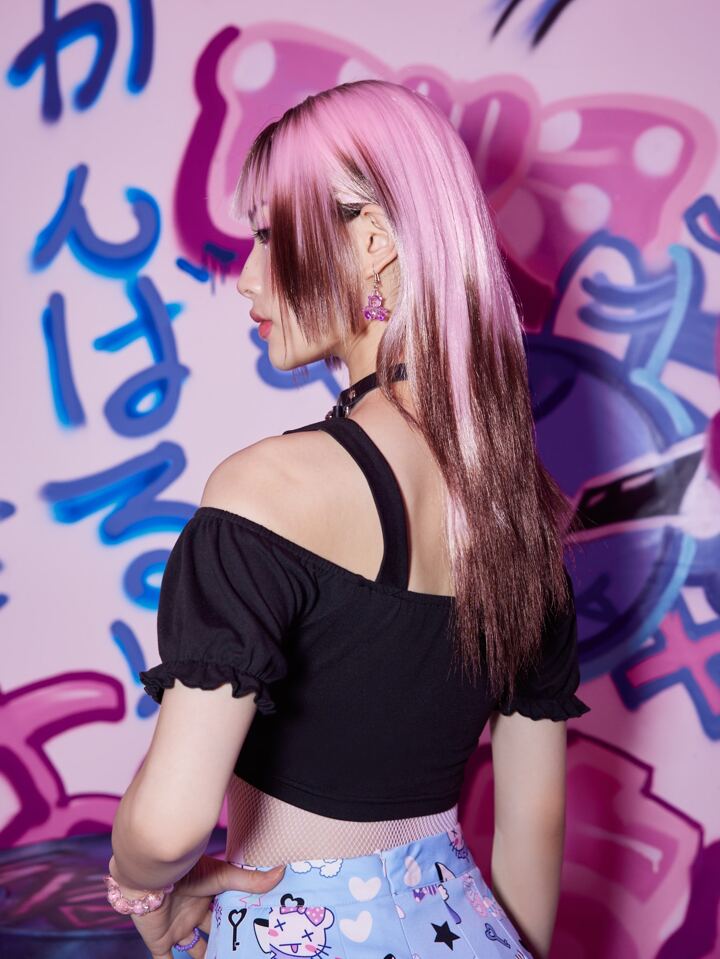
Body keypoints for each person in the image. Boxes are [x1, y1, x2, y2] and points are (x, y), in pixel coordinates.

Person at [106, 79, 589, 959]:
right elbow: (534, 821)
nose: (246, 276)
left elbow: (170, 821)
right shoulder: (521, 518)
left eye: (268, 234)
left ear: (372, 243)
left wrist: (138, 884)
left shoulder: (267, 490)